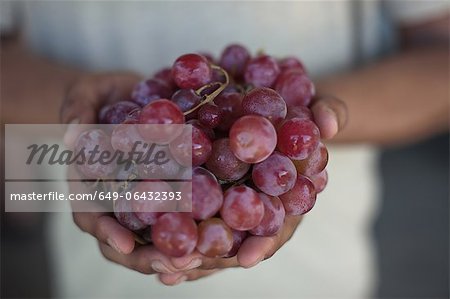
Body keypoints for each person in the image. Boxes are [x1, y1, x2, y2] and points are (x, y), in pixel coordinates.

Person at [1, 1, 448, 297]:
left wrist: (306, 115)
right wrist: (80, 106)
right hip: (96, 275)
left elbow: (440, 59)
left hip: (314, 280)